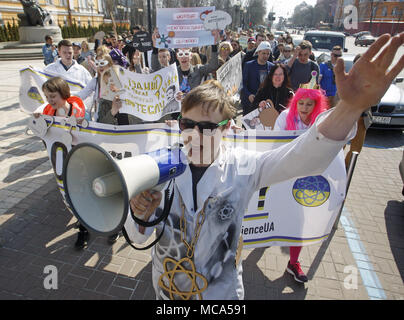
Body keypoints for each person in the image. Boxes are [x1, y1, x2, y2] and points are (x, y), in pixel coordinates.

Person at [124, 32, 404, 300]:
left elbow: (304, 156)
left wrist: (350, 108)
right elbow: (139, 236)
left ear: (228, 129)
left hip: (220, 295)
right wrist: (139, 214)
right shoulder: (160, 164)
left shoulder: (243, 166)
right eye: (187, 124)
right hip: (168, 291)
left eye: (208, 127)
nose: (194, 135)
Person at [273, 76, 329, 283]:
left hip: (306, 180)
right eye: (301, 103)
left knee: (300, 221)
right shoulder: (285, 116)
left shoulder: (322, 121)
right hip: (281, 174)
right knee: (270, 215)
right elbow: (273, 144)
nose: (304, 108)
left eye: (309, 103)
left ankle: (293, 262)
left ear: (316, 104)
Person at [241, 41, 274, 115]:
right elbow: (243, 83)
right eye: (263, 53)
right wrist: (249, 95)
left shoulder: (272, 67)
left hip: (265, 103)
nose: (266, 56)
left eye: (268, 54)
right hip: (250, 103)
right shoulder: (248, 65)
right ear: (258, 53)